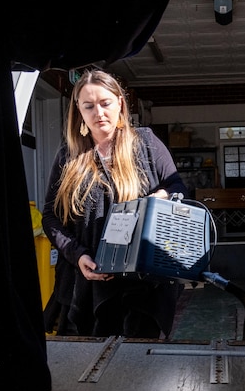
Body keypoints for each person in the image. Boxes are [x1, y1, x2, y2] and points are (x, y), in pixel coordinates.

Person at [42, 69, 189, 338]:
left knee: (135, 368)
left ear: (120, 103)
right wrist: (78, 255)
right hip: (84, 283)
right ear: (79, 111)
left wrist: (162, 197)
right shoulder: (68, 155)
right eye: (89, 106)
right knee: (87, 371)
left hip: (141, 286)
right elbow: (50, 217)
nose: (98, 112)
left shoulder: (145, 143)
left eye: (105, 103)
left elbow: (178, 187)